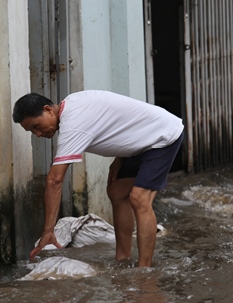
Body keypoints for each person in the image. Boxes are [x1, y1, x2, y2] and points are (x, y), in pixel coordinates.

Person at [12, 90, 184, 267]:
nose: (38, 134)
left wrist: (48, 231)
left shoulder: (73, 122)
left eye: (36, 126)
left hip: (163, 135)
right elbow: (119, 120)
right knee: (117, 192)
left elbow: (54, 180)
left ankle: (144, 270)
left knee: (139, 198)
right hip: (142, 140)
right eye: (32, 131)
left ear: (48, 110)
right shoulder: (71, 105)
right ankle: (122, 259)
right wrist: (121, 156)